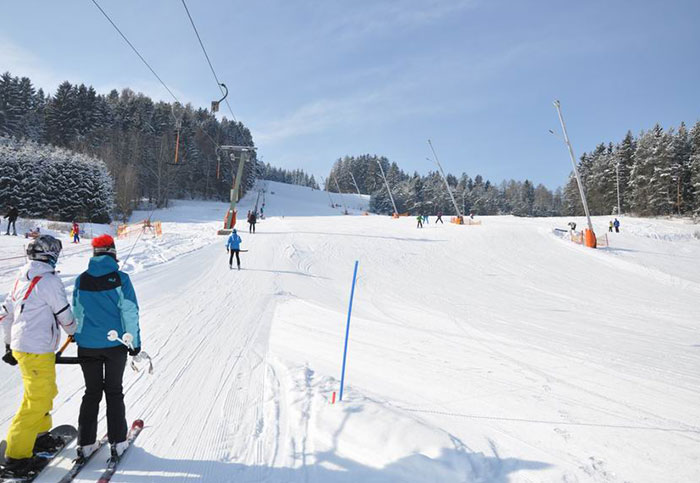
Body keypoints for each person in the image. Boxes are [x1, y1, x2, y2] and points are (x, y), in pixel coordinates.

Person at [0, 235, 76, 477]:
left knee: (44, 392)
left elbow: (6, 314)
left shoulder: (21, 278)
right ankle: (16, 457)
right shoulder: (49, 281)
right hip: (36, 349)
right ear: (50, 254)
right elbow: (64, 313)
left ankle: (39, 436)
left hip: (28, 348)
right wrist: (75, 332)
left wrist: (9, 345)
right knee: (37, 401)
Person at [72, 234, 141, 463]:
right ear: (113, 253)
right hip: (115, 344)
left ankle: (85, 444)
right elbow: (129, 311)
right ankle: (118, 442)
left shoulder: (81, 279)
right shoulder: (121, 279)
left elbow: (77, 311)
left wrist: (77, 335)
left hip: (87, 345)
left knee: (91, 392)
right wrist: (134, 343)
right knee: (113, 391)